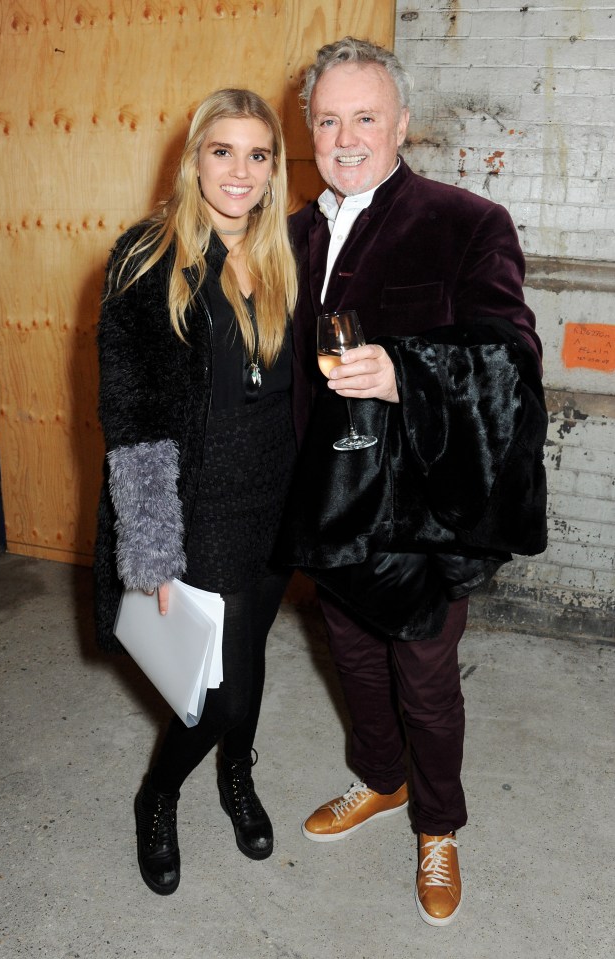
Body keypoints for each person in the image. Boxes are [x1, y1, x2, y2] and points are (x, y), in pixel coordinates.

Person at [286, 38, 545, 926]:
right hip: (323, 510)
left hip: (418, 518)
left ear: (402, 123)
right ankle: (380, 779)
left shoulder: (467, 221)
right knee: (354, 661)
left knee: (427, 681)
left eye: (365, 116)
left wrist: (407, 372)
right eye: (328, 119)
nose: (346, 136)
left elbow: (510, 360)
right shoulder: (294, 232)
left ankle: (439, 824)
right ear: (309, 128)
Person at [93, 88, 298, 895]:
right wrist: (151, 548)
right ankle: (158, 793)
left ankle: (236, 776)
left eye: (258, 154)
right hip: (199, 505)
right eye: (223, 151)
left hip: (276, 498)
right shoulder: (147, 257)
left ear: (274, 168)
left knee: (246, 660)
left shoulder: (284, 251)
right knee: (215, 693)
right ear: (193, 158)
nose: (239, 171)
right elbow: (132, 412)